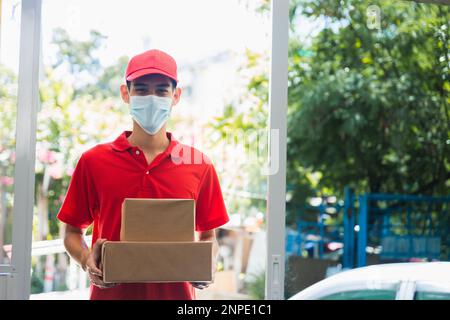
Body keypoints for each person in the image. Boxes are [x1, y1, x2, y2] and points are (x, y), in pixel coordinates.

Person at [57, 49, 229, 300]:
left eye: (161, 90)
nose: (151, 97)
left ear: (176, 96)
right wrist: (86, 260)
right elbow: (72, 231)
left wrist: (208, 263)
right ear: (125, 94)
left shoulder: (199, 165)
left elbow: (208, 237)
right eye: (141, 89)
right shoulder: (93, 161)